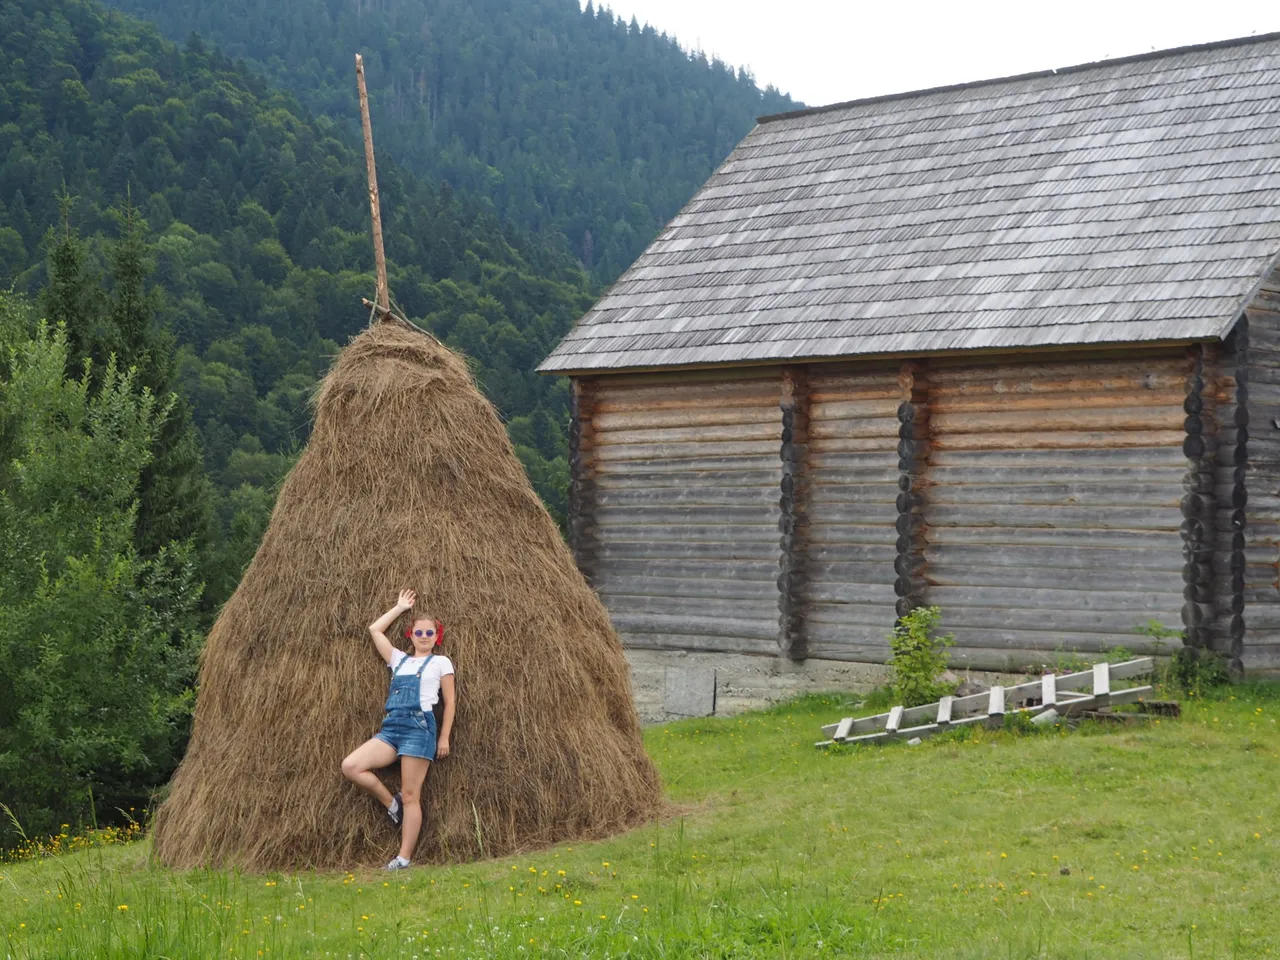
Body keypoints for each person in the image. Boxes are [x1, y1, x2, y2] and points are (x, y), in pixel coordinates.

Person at [341, 589, 456, 870]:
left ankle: (403, 858)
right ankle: (391, 805)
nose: (425, 637)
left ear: (436, 637)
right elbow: (374, 629)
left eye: (430, 633)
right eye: (419, 633)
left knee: (411, 794)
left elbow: (450, 701)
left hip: (420, 728)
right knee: (351, 766)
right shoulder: (398, 659)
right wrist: (400, 607)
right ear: (411, 635)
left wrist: (444, 736)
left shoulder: (441, 662)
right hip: (392, 728)